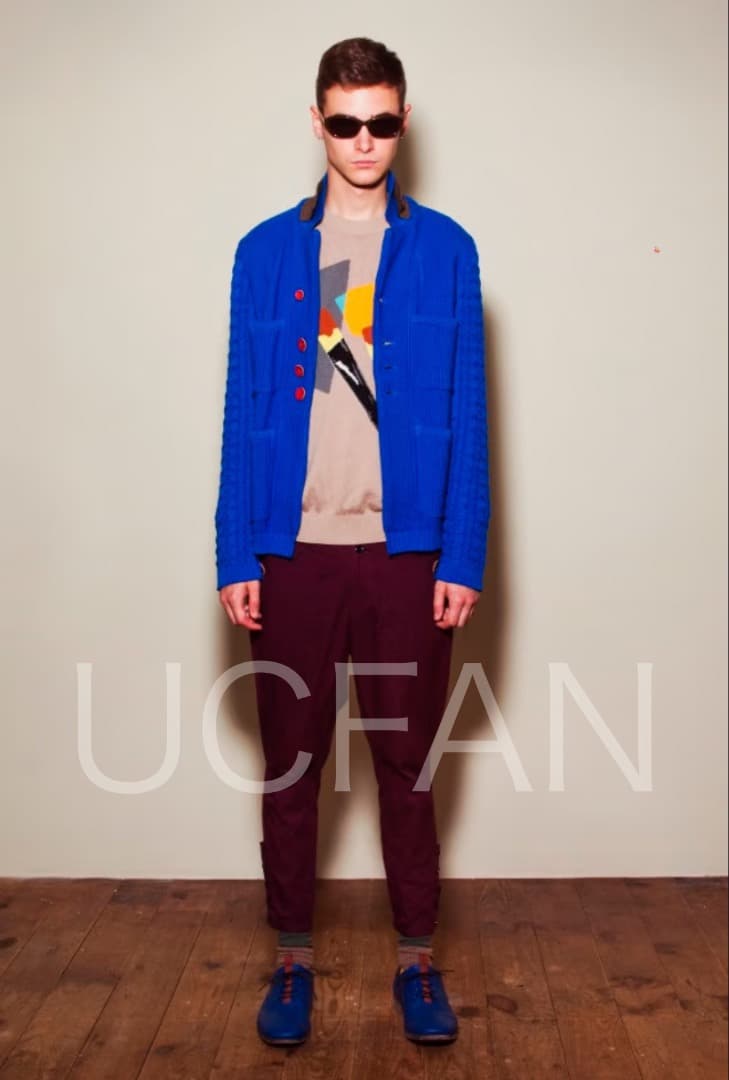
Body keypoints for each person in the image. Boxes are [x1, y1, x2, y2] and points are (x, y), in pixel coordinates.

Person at [214, 36, 490, 1047]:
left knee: (407, 769)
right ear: (318, 122)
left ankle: (417, 963)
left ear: (402, 122)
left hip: (405, 557)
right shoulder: (266, 253)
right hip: (291, 554)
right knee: (290, 769)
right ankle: (291, 960)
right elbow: (243, 410)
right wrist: (234, 551)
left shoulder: (447, 250)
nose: (363, 140)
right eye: (344, 122)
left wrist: (462, 554)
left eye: (379, 122)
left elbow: (469, 410)